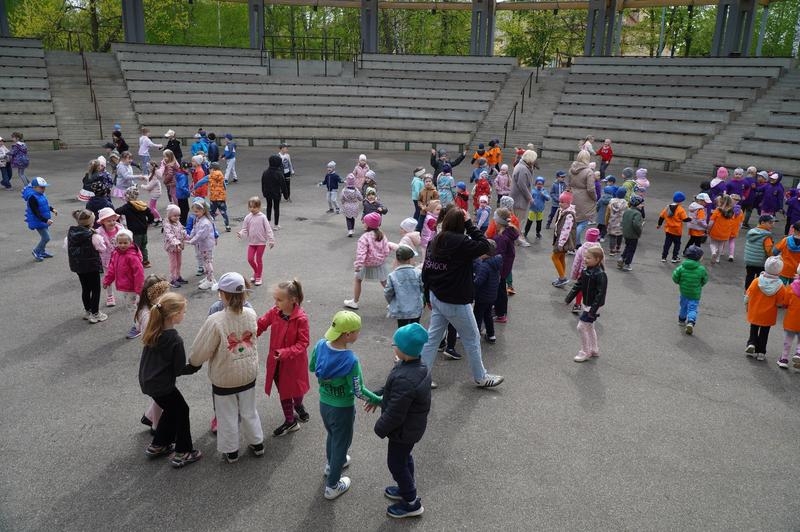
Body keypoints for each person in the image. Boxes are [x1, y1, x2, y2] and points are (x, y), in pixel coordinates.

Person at [418, 206, 504, 388]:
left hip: (436, 296)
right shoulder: (462, 242)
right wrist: (470, 225)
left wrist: (427, 296)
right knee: (472, 338)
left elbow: (427, 270)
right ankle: (480, 377)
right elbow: (486, 246)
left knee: (432, 338)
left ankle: (421, 376)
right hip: (455, 301)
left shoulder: (435, 240)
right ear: (461, 224)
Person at [184, 272, 264, 463]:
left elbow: (202, 348)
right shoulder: (251, 313)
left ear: (223, 294)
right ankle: (257, 443)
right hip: (248, 373)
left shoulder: (216, 319)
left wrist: (194, 362)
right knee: (249, 410)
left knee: (226, 414)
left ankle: (232, 450)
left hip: (224, 376)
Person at [309, 310, 382, 499]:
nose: (359, 334)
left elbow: (311, 367)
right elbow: (358, 390)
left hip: (324, 404)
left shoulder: (319, 345)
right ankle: (333, 485)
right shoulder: (350, 360)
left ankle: (331, 464)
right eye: (357, 331)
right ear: (348, 334)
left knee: (332, 436)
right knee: (342, 442)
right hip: (342, 409)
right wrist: (379, 400)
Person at [371, 323, 430, 519]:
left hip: (403, 431)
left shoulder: (406, 377)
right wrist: (378, 395)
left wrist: (379, 427)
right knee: (404, 459)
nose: (393, 347)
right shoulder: (415, 366)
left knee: (396, 463)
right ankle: (406, 487)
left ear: (404, 350)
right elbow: (393, 390)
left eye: (395, 344)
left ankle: (411, 502)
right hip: (411, 429)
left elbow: (396, 413)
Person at [138, 292, 201, 468]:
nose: (184, 315)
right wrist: (195, 366)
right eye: (183, 312)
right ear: (174, 316)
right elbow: (179, 369)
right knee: (182, 411)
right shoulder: (174, 339)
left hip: (148, 382)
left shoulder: (153, 330)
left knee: (172, 410)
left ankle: (159, 444)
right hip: (162, 385)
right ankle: (184, 451)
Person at [257, 279, 311, 436]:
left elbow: (303, 343)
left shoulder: (301, 318)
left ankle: (299, 405)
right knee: (284, 392)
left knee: (297, 389)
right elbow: (261, 324)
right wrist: (250, 334)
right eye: (275, 299)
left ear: (293, 300)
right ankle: (290, 421)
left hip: (294, 364)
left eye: (279, 300)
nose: (276, 303)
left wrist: (286, 352)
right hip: (277, 363)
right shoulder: (275, 312)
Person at [136, 276, 173, 430]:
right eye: (163, 294)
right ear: (154, 294)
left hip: (155, 357)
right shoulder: (148, 315)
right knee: (160, 394)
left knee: (160, 394)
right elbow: (151, 339)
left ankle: (150, 416)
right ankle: (156, 425)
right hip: (157, 359)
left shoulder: (147, 309)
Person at [565, 246, 607, 362]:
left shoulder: (600, 274)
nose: (585, 259)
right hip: (587, 303)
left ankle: (585, 351)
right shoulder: (585, 271)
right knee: (589, 326)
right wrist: (569, 298)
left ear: (597, 259)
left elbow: (600, 294)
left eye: (588, 258)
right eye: (585, 257)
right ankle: (594, 349)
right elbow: (578, 285)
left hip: (594, 306)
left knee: (581, 327)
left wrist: (593, 310)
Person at [102, 228, 145, 337]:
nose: (122, 245)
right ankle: (142, 322)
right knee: (135, 306)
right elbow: (112, 268)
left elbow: (139, 274)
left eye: (125, 242)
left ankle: (138, 327)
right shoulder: (116, 253)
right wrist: (107, 280)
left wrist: (139, 289)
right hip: (125, 287)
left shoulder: (132, 256)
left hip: (132, 287)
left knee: (132, 307)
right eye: (120, 242)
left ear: (131, 242)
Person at [344, 212, 391, 310]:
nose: (363, 223)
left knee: (358, 280)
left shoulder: (364, 237)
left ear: (368, 224)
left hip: (366, 263)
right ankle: (393, 302)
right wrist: (382, 257)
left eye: (364, 222)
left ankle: (355, 302)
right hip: (379, 263)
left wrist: (358, 266)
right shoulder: (382, 235)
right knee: (384, 282)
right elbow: (386, 250)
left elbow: (361, 254)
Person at [67, 209, 107, 323]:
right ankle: (95, 313)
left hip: (78, 266)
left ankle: (88, 311)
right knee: (95, 289)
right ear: (91, 222)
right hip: (91, 266)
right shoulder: (93, 236)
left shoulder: (71, 232)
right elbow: (102, 249)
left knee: (85, 288)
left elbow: (67, 246)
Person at [745, 256, 786, 361]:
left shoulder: (757, 281)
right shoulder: (780, 286)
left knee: (753, 328)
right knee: (764, 332)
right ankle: (761, 352)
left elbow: (748, 294)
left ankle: (752, 343)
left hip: (755, 310)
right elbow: (780, 302)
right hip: (769, 314)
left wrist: (746, 304)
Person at [237, 196, 275, 286]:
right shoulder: (247, 217)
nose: (252, 209)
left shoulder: (263, 217)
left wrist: (271, 240)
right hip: (252, 242)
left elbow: (268, 229)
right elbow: (244, 229)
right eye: (250, 207)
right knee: (250, 259)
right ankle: (256, 272)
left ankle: (258, 276)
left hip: (261, 243)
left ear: (259, 207)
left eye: (254, 207)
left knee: (258, 260)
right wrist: (241, 233)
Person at [672, 245, 708, 335]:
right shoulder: (701, 269)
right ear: (698, 258)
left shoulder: (682, 267)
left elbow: (675, 277)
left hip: (684, 291)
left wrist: (679, 282)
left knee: (683, 305)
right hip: (695, 293)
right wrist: (700, 285)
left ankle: (681, 319)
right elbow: (705, 279)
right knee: (693, 308)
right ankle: (691, 322)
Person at [384, 245, 424, 328]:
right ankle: (414, 341)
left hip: (400, 308)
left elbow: (388, 292)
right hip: (416, 307)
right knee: (415, 328)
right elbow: (423, 288)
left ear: (397, 259)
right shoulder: (418, 273)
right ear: (410, 259)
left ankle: (402, 341)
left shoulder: (392, 275)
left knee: (402, 328)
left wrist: (391, 302)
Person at [115, 185, 154, 268]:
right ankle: (146, 261)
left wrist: (118, 221)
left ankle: (137, 262)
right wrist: (148, 222)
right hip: (143, 229)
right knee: (143, 246)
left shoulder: (127, 207)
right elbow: (151, 215)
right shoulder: (142, 205)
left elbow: (117, 211)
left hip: (134, 231)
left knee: (135, 247)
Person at [472, 239, 501, 343]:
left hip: (482, 296)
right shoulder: (495, 263)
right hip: (492, 295)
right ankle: (491, 334)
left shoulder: (484, 266)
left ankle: (476, 335)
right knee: (488, 315)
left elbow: (479, 282)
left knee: (478, 315)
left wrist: (472, 281)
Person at [492, 208, 518, 323]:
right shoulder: (509, 232)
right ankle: (501, 311)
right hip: (506, 267)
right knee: (501, 289)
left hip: (500, 269)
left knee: (499, 291)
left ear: (498, 222)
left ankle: (500, 313)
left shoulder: (501, 238)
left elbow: (499, 256)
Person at [22, 177, 56, 261]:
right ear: (34, 187)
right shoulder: (32, 198)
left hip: (43, 220)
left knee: (45, 237)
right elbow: (35, 212)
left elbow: (44, 205)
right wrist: (46, 220)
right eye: (41, 187)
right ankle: (36, 251)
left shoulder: (41, 194)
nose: (44, 189)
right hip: (38, 221)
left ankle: (42, 251)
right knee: (46, 238)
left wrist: (52, 209)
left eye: (44, 187)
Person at [567, 150, 597, 246]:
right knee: (583, 221)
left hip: (573, 196)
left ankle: (576, 242)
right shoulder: (589, 172)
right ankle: (574, 242)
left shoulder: (571, 169)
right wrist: (595, 198)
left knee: (574, 220)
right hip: (585, 198)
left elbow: (568, 184)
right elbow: (591, 189)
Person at [568, 227, 601, 313]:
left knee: (580, 289)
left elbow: (576, 262)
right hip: (596, 273)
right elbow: (602, 262)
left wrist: (574, 274)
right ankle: (589, 306)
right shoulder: (599, 250)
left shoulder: (581, 249)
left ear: (586, 237)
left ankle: (577, 304)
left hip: (582, 272)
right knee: (593, 290)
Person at [96, 207, 124, 305]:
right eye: (109, 221)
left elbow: (128, 240)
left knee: (123, 276)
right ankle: (110, 295)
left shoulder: (120, 229)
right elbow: (96, 244)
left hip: (121, 258)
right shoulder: (98, 232)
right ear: (102, 221)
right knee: (108, 277)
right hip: (107, 259)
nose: (112, 222)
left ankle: (127, 292)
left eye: (113, 220)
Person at [186, 198, 216, 290]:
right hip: (202, 245)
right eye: (194, 211)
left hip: (206, 245)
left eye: (197, 211)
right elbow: (194, 229)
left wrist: (191, 241)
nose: (195, 213)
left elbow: (200, 235)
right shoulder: (198, 219)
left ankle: (210, 280)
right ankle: (209, 278)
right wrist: (190, 236)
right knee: (205, 261)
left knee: (207, 262)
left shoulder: (205, 222)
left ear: (203, 210)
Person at [744, 214, 776, 291]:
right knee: (760, 278)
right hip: (760, 261)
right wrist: (772, 257)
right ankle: (756, 291)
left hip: (749, 260)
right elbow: (768, 250)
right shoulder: (766, 236)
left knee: (749, 276)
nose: (772, 225)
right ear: (762, 223)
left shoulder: (752, 232)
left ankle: (747, 290)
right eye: (770, 223)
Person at [551, 191, 576, 288]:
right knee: (561, 257)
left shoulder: (569, 215)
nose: (560, 203)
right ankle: (562, 276)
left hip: (563, 241)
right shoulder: (563, 210)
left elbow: (566, 230)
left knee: (554, 257)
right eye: (560, 201)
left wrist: (560, 244)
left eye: (563, 202)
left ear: (568, 203)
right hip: (561, 239)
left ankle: (562, 278)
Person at [657, 191, 690, 263]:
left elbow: (661, 217)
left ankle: (664, 257)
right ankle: (674, 257)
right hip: (677, 231)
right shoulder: (681, 209)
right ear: (681, 201)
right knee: (677, 244)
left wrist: (659, 224)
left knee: (667, 244)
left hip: (668, 229)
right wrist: (691, 219)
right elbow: (685, 219)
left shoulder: (667, 207)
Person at [510, 150, 536, 236]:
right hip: (519, 199)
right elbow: (522, 185)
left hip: (517, 198)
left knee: (517, 219)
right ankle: (517, 238)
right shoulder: (523, 168)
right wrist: (530, 197)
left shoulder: (522, 166)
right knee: (519, 220)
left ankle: (516, 236)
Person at [707, 194, 738, 264]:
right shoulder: (732, 212)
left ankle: (713, 252)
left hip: (715, 231)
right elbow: (732, 223)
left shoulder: (717, 211)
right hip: (726, 232)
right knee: (721, 245)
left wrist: (708, 229)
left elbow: (711, 221)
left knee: (712, 243)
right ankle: (718, 258)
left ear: (720, 202)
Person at [779, 266, 800, 369]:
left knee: (788, 339)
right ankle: (798, 354)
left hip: (791, 319)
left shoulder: (791, 287)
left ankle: (784, 358)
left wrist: (785, 305)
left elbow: (785, 302)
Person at [162, 204, 187, 289]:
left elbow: (181, 230)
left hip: (179, 246)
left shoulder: (177, 222)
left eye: (178, 215)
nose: (177, 217)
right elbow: (170, 235)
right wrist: (176, 243)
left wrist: (186, 234)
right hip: (171, 247)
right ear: (169, 215)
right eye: (175, 215)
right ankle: (173, 279)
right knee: (173, 263)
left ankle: (178, 276)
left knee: (179, 262)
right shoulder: (167, 224)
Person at [618, 195, 644, 271]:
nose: (642, 205)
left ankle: (622, 258)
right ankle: (627, 263)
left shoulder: (627, 211)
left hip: (626, 233)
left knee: (627, 246)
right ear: (636, 204)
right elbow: (636, 224)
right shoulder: (637, 213)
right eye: (641, 204)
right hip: (633, 235)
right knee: (631, 250)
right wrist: (639, 232)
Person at [262, 154, 288, 230]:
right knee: (276, 208)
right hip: (276, 193)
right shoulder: (279, 173)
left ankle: (268, 223)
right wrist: (286, 195)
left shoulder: (265, 172)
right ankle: (276, 225)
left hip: (267, 193)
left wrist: (263, 192)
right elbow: (283, 185)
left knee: (269, 207)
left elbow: (263, 183)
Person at [139, 159, 163, 227]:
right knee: (153, 207)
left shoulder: (155, 178)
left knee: (151, 208)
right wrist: (145, 177)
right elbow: (149, 178)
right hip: (155, 193)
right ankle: (156, 219)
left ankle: (160, 219)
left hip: (155, 194)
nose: (148, 168)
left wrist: (141, 186)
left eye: (149, 167)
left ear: (152, 168)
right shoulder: (152, 174)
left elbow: (148, 187)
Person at [605, 188, 627, 256]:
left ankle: (612, 250)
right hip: (621, 222)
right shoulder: (625, 203)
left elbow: (607, 213)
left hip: (612, 222)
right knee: (620, 235)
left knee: (612, 236)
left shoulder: (611, 202)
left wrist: (606, 222)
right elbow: (626, 214)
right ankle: (618, 248)